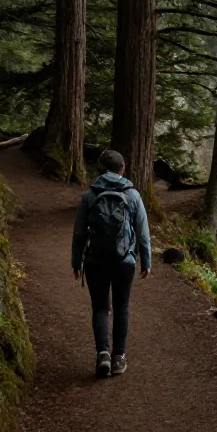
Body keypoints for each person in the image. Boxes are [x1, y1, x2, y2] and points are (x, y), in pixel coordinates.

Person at [71, 149, 151, 378]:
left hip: (95, 260)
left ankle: (102, 355)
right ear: (122, 168)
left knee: (100, 307)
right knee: (122, 307)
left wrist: (76, 261)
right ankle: (119, 358)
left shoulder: (90, 195)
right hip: (124, 260)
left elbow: (79, 233)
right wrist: (146, 260)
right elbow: (143, 233)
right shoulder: (133, 195)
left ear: (100, 170)